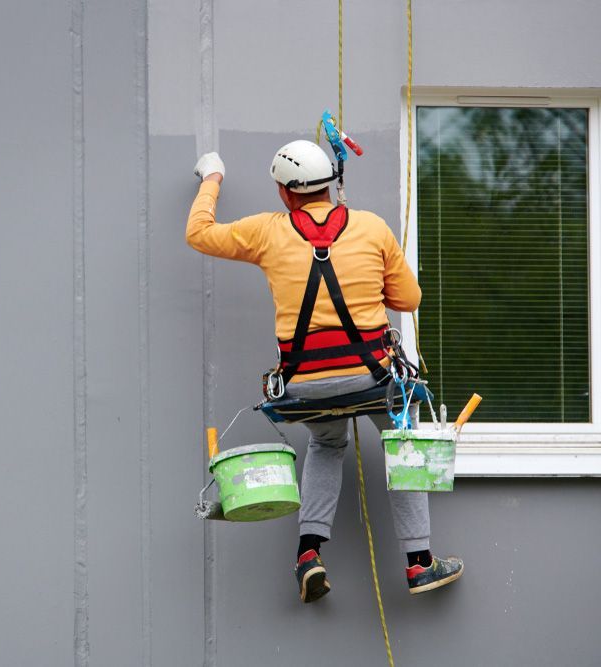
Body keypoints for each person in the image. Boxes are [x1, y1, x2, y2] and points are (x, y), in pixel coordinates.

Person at [186, 141, 463, 603]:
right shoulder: (371, 227)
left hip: (305, 383)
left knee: (326, 442)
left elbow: (199, 233)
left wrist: (212, 175)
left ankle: (308, 556)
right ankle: (419, 563)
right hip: (372, 377)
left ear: (285, 192)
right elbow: (410, 300)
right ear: (330, 184)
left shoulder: (266, 232)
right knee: (404, 444)